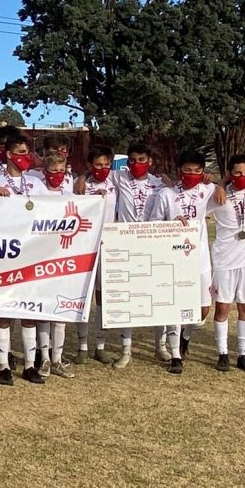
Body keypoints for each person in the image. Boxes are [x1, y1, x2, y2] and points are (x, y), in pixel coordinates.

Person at [145, 150, 218, 374]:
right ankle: (176, 356)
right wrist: (171, 223)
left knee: (203, 311)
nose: (192, 175)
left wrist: (216, 179)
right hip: (175, 257)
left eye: (197, 171)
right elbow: (153, 223)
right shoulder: (166, 194)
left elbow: (230, 184)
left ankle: (186, 336)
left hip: (201, 258)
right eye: (187, 170)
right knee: (176, 308)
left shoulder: (207, 190)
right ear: (179, 171)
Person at [0, 132, 47, 386]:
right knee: (5, 310)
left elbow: (55, 211)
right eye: (19, 153)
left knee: (28, 310)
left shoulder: (37, 183)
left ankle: (30, 365)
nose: (24, 157)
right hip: (5, 255)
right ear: (8, 154)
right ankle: (4, 366)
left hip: (31, 253)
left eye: (27, 153)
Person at [109, 142, 167, 367]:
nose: (136, 164)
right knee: (127, 298)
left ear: (150, 162)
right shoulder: (119, 177)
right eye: (132, 160)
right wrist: (84, 178)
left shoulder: (160, 184)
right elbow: (97, 170)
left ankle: (160, 346)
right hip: (126, 245)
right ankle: (126, 350)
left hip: (152, 245)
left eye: (141, 160)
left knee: (158, 298)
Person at [208, 155, 245, 373]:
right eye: (238, 173)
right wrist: (220, 184)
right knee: (222, 308)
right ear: (229, 173)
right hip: (224, 260)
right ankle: (222, 353)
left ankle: (243, 354)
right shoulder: (217, 195)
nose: (243, 177)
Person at [73, 146, 118, 364]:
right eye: (98, 165)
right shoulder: (80, 185)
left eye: (107, 165)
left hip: (108, 246)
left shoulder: (116, 181)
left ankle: (100, 346)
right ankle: (82, 346)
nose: (103, 169)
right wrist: (82, 177)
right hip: (84, 246)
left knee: (103, 298)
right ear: (90, 166)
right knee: (83, 297)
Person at [35, 152, 74, 378]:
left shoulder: (70, 196)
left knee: (60, 312)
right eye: (53, 172)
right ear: (44, 172)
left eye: (61, 172)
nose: (57, 176)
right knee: (43, 309)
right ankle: (45, 358)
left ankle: (58, 358)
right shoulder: (36, 192)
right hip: (41, 257)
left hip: (64, 259)